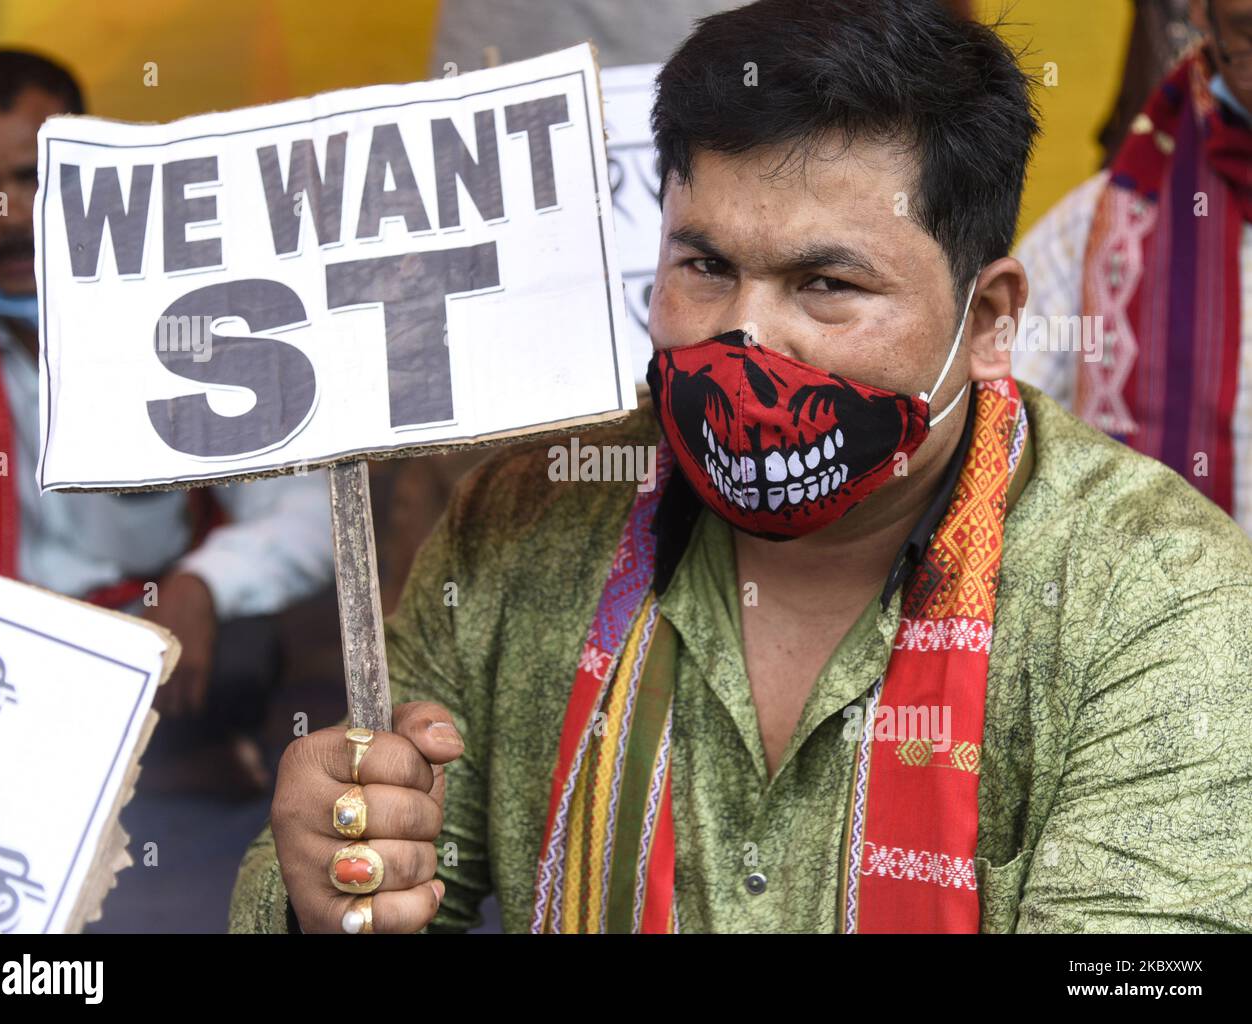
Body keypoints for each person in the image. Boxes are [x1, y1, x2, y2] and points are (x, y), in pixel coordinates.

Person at [231, 0, 1252, 933]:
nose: (745, 341)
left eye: (826, 283)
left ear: (988, 322)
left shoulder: (1157, 594)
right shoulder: (521, 525)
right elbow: (376, 890)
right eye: (706, 266)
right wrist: (326, 884)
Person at [0, 50, 335, 793]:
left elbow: (305, 513)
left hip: (155, 630)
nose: (9, 213)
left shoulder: (194, 304)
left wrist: (203, 585)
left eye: (34, 177)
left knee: (241, 648)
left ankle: (171, 771)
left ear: (93, 177)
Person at [1012, 1, 1252, 531]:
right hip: (1179, 604)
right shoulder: (1096, 232)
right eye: (1249, 31)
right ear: (1202, 16)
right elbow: (997, 427)